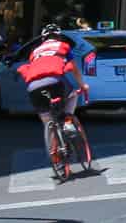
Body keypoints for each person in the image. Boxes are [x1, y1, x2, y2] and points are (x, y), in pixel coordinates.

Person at [15, 24, 87, 168]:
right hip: (55, 82)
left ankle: (56, 158)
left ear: (43, 39)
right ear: (59, 36)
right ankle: (67, 121)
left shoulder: (35, 52)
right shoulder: (63, 46)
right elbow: (73, 68)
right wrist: (82, 85)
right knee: (72, 94)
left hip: (33, 88)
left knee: (47, 120)